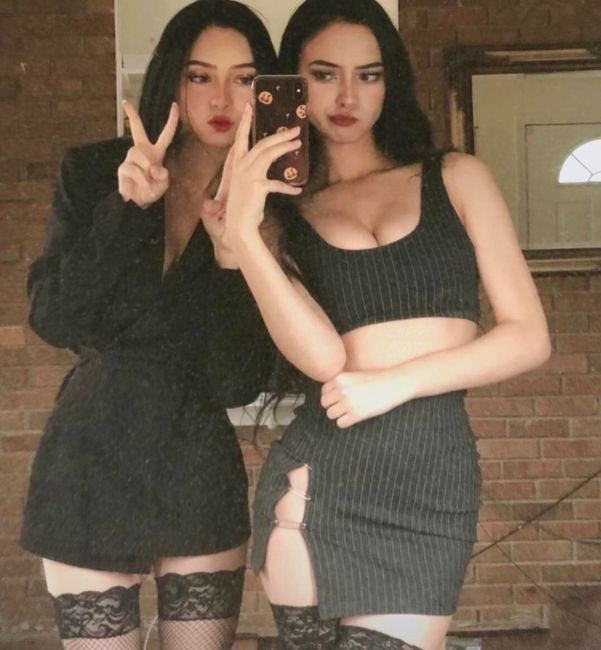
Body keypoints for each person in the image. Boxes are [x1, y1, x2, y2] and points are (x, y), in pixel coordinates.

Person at [212, 0, 552, 648]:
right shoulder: (284, 216)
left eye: (368, 75)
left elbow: (528, 336)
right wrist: (245, 237)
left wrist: (395, 383)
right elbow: (320, 360)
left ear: (389, 81)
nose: (348, 96)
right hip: (319, 482)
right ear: (291, 83)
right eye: (323, 74)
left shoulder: (456, 177)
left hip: (431, 482)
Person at [20, 2, 277, 649]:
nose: (221, 98)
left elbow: (237, 380)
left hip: (197, 458)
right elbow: (54, 318)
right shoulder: (96, 171)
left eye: (244, 79)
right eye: (199, 75)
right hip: (91, 452)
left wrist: (231, 257)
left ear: (268, 89)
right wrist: (127, 207)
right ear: (172, 79)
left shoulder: (270, 201)